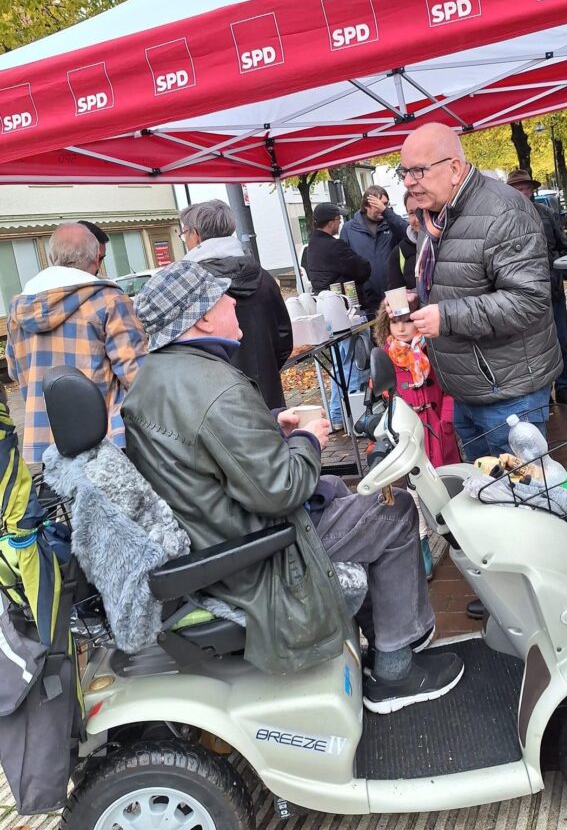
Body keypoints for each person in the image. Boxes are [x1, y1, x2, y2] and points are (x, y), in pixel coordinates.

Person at [123, 261, 464, 711]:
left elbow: (201, 450)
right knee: (397, 510)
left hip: (224, 531)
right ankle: (395, 672)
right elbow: (282, 490)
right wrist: (307, 440)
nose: (234, 305)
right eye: (225, 299)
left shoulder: (157, 377)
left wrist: (267, 429)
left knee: (343, 492)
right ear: (201, 316)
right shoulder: (214, 387)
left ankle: (387, 637)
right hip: (263, 550)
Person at [397, 123, 561, 460]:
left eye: (418, 170)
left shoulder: (504, 211)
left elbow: (528, 300)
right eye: (404, 171)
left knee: (521, 501)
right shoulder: (434, 216)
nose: (408, 181)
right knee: (486, 494)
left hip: (509, 390)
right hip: (466, 388)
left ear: (454, 168)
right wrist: (421, 297)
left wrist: (446, 315)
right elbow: (456, 278)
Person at [5, 222, 146, 462]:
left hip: (49, 441)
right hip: (104, 439)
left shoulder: (19, 309)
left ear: (51, 257)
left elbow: (14, 372)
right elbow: (137, 374)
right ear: (96, 259)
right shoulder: (109, 300)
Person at [178, 200, 293, 409]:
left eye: (184, 233)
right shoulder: (264, 278)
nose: (185, 240)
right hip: (268, 394)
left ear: (195, 234)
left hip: (217, 403)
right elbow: (284, 337)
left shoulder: (191, 285)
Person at [374, 302, 459, 579]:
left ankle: (458, 534)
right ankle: (422, 542)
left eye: (407, 320)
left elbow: (449, 385)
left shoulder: (432, 349)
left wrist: (446, 419)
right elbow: (380, 392)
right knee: (413, 487)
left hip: (436, 428)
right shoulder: (385, 355)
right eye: (394, 321)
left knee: (445, 483)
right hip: (409, 432)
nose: (400, 327)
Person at [505, 169, 567, 406]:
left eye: (525, 188)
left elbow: (564, 246)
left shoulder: (547, 214)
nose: (522, 192)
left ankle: (563, 386)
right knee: (534, 346)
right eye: (517, 188)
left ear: (531, 189)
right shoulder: (503, 220)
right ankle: (542, 393)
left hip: (553, 289)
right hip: (523, 295)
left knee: (560, 340)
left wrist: (560, 273)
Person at [304, 202, 372, 430]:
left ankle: (336, 416)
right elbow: (363, 268)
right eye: (338, 219)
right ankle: (357, 418)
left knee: (338, 367)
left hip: (324, 313)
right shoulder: (335, 246)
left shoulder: (309, 248)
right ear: (331, 221)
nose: (340, 222)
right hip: (345, 311)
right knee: (353, 364)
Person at [340, 186, 407, 316]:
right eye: (378, 205)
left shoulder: (391, 223)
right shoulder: (349, 229)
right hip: (366, 299)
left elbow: (409, 234)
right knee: (374, 335)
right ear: (366, 206)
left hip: (393, 294)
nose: (383, 208)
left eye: (385, 204)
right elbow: (345, 264)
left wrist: (387, 212)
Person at [387, 190, 420, 292]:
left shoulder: (449, 243)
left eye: (422, 210)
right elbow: (396, 300)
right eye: (412, 213)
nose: (418, 219)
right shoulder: (400, 252)